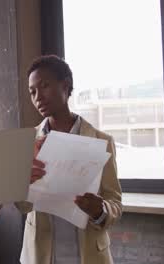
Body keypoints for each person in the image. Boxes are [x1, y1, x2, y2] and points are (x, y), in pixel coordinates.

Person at [18, 55, 122, 264]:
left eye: (44, 86)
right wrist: (22, 184)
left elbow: (115, 202)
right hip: (40, 253)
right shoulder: (27, 142)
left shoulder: (101, 141)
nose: (38, 96)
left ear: (65, 85)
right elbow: (22, 207)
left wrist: (100, 210)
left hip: (89, 255)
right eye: (32, 91)